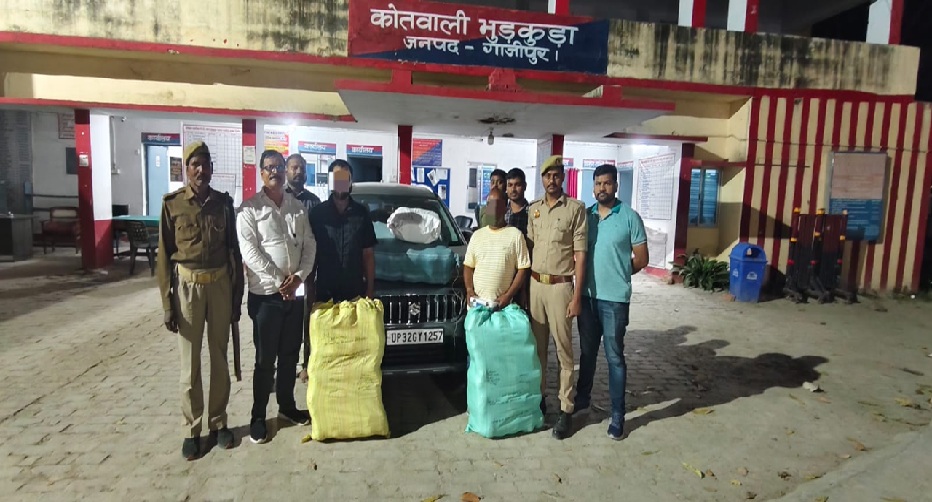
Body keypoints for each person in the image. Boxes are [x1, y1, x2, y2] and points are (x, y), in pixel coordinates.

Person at [157, 141, 244, 460]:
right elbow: (163, 257)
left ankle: (218, 423)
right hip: (187, 288)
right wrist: (167, 304)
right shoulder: (172, 205)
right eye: (195, 164)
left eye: (205, 164)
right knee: (189, 363)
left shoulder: (224, 204)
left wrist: (237, 297)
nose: (201, 170)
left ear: (211, 169)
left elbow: (234, 251)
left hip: (219, 285)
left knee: (219, 358)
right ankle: (191, 430)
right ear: (187, 168)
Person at [237, 150, 317, 444]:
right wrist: (280, 280)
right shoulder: (249, 209)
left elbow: (310, 245)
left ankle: (286, 406)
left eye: (279, 167)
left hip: (293, 295)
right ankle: (258, 416)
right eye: (269, 167)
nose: (275, 172)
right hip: (266, 297)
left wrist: (299, 277)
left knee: (289, 355)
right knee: (265, 360)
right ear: (261, 173)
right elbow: (250, 252)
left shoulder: (297, 207)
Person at [574, 164, 648, 441]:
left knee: (615, 357)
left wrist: (619, 273)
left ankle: (618, 415)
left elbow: (642, 258)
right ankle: (582, 399)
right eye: (598, 183)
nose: (602, 188)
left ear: (616, 186)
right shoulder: (586, 217)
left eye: (607, 183)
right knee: (587, 353)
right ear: (593, 187)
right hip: (587, 298)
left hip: (615, 301)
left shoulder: (629, 217)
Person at [526, 155, 587, 440]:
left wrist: (577, 297)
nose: (552, 180)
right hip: (535, 285)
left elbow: (580, 255)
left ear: (563, 177)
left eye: (557, 175)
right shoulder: (534, 209)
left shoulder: (575, 209)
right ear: (542, 178)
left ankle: (566, 408)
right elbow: (529, 247)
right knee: (537, 350)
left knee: (564, 351)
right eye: (547, 175)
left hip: (561, 287)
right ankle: (539, 400)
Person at [310, 159, 377, 303]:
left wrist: (370, 290)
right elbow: (311, 255)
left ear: (351, 182)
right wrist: (309, 291)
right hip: (324, 295)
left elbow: (368, 254)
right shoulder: (317, 214)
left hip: (355, 295)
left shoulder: (362, 214)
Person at [283, 153, 322, 385]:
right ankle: (283, 368)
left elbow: (316, 239)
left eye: (302, 169)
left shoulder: (314, 202)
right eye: (294, 168)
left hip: (308, 275)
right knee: (286, 324)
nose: (298, 172)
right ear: (286, 170)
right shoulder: (277, 198)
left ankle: (307, 365)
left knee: (308, 321)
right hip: (282, 276)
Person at [464, 187, 531, 309]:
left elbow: (523, 269)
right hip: (477, 306)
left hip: (502, 307)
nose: (493, 209)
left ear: (506, 209)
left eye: (497, 205)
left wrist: (508, 295)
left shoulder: (515, 235)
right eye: (489, 204)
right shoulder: (477, 235)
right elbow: (468, 266)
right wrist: (469, 289)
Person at [504, 168, 530, 236]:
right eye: (510, 185)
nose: (513, 189)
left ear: (525, 186)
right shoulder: (502, 212)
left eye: (517, 185)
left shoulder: (531, 212)